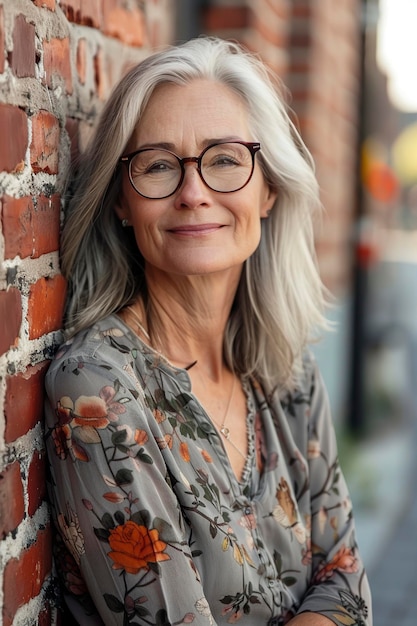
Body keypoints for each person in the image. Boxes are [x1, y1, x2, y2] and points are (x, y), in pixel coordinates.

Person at [44, 36, 372, 626]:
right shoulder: (98, 393)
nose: (194, 194)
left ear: (268, 189)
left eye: (224, 159)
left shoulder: (285, 370)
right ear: (122, 200)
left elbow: (347, 579)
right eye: (160, 165)